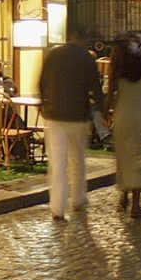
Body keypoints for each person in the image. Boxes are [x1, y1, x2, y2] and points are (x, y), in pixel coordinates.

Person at [39, 33, 103, 222]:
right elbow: (96, 87)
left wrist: (43, 103)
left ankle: (57, 207)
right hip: (78, 115)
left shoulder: (52, 55)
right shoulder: (86, 58)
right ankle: (78, 198)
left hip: (55, 114)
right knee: (77, 159)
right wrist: (101, 108)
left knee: (57, 163)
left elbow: (41, 82)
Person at [109, 42, 141, 219]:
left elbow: (111, 95)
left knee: (124, 160)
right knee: (137, 162)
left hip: (123, 119)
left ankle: (124, 194)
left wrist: (106, 114)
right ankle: (136, 204)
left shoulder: (118, 70)